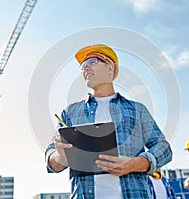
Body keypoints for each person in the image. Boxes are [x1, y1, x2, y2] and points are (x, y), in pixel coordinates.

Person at [45, 44, 173, 198]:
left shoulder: (137, 110)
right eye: (82, 66)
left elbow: (163, 147)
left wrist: (135, 164)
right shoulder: (70, 113)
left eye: (92, 62)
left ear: (110, 67)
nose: (85, 69)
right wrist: (61, 158)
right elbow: (51, 160)